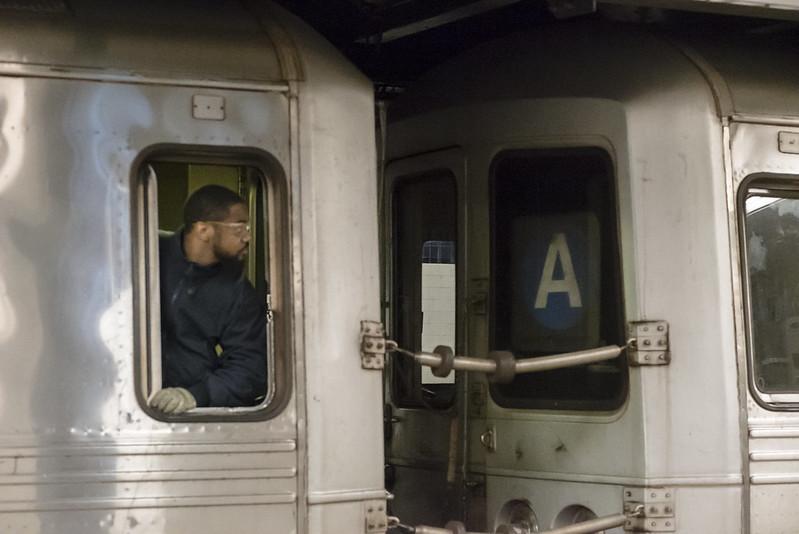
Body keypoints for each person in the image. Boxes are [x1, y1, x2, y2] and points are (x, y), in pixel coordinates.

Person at [149, 185, 268, 415]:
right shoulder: (147, 251)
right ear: (203, 230)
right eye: (239, 227)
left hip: (186, 413)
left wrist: (195, 395)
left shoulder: (238, 291)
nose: (248, 237)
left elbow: (250, 365)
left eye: (248, 227)